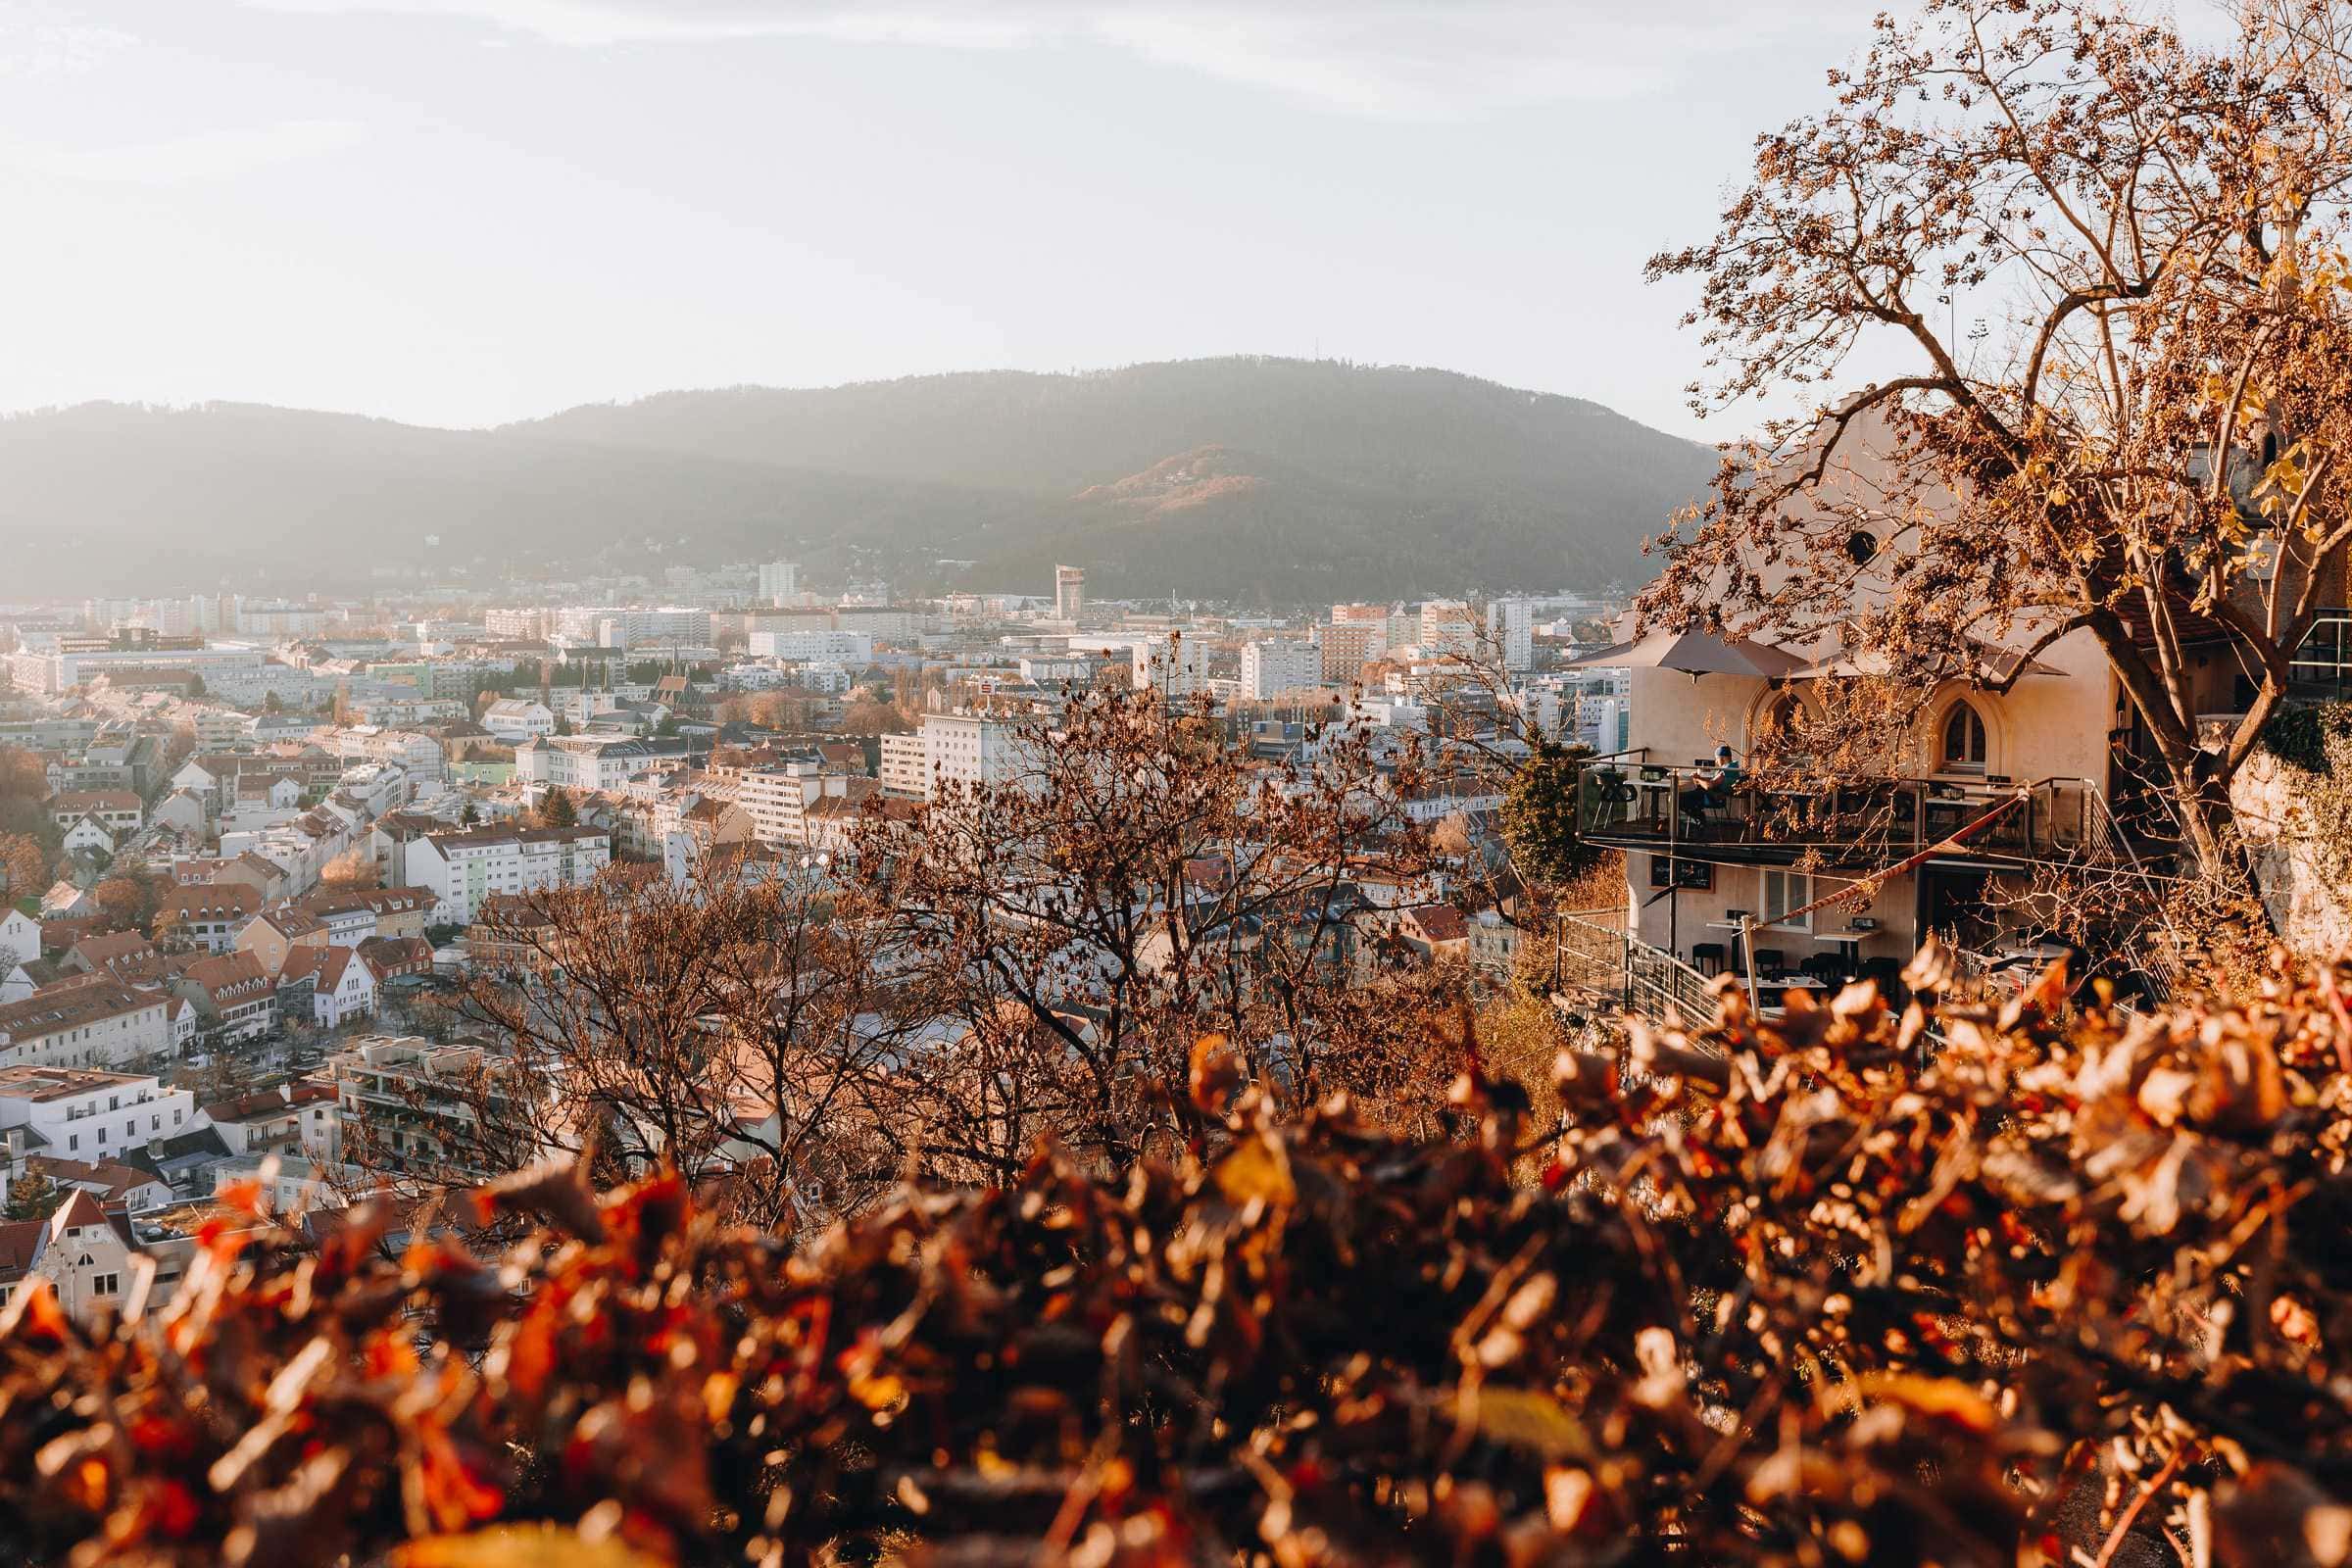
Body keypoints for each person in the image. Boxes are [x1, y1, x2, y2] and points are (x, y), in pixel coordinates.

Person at [1679, 745, 1741, 828]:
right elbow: (1713, 783)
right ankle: (1698, 818)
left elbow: (1709, 786)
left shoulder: (1726, 771)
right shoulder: (1734, 769)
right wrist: (1701, 780)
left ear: (1721, 758)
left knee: (1678, 799)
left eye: (1717, 758)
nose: (1716, 761)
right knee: (1686, 798)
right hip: (1717, 797)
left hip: (1712, 798)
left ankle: (1698, 818)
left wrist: (1698, 778)